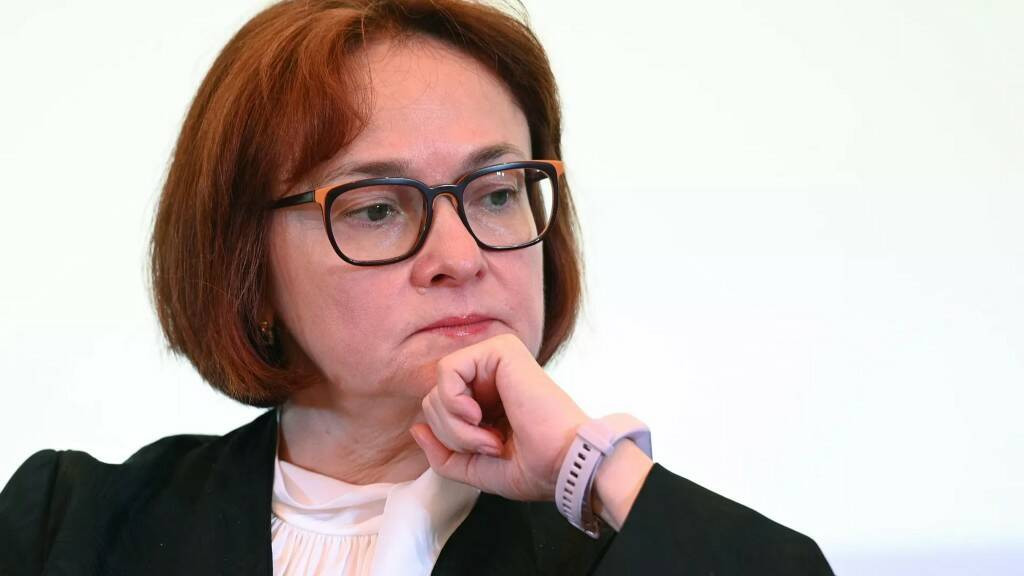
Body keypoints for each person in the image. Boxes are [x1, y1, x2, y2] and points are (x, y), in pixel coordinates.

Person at [0, 1, 834, 574]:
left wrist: (594, 470)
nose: (460, 256)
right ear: (245, 263)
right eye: (375, 209)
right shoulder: (65, 527)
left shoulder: (619, 540)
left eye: (497, 193)